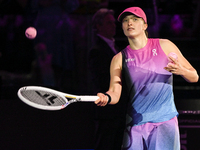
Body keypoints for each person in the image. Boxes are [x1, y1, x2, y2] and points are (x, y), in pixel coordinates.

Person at [94, 6, 199, 150]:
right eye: (125, 20)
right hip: (135, 124)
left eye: (135, 19)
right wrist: (106, 97)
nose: (130, 23)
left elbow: (194, 76)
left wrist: (181, 70)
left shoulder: (165, 45)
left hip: (164, 122)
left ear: (145, 25)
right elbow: (114, 93)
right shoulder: (118, 59)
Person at [88, 8, 127, 150]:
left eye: (114, 23)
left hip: (120, 110)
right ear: (98, 26)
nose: (114, 26)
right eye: (109, 23)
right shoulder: (97, 51)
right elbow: (101, 81)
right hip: (108, 110)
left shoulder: (115, 47)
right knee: (105, 145)